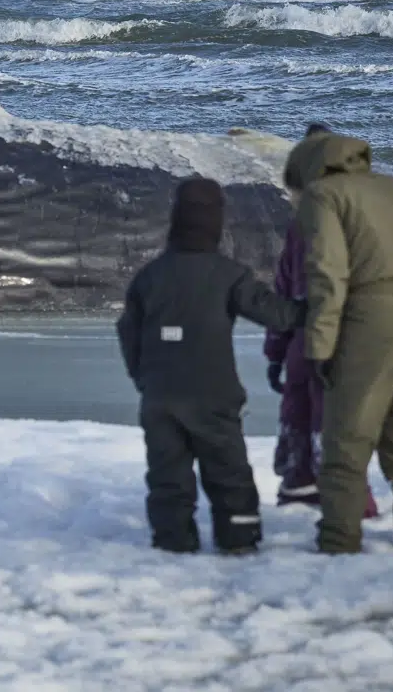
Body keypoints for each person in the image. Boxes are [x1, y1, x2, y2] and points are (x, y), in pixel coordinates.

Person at [116, 177, 305, 555]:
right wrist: (318, 303)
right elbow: (279, 316)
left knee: (168, 474)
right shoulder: (228, 274)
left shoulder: (149, 276)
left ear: (176, 219)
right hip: (213, 394)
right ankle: (238, 541)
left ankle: (172, 542)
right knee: (228, 471)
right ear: (216, 222)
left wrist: (143, 379)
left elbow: (127, 331)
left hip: (160, 394)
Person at [284, 130, 393, 557]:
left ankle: (338, 548)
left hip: (374, 321)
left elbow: (328, 273)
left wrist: (319, 347)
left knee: (346, 445)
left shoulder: (325, 196)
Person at [264, 124, 378, 519]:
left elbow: (284, 290)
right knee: (330, 427)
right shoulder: (365, 216)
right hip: (342, 339)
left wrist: (275, 351)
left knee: (303, 422)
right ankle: (347, 507)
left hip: (306, 338)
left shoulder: (305, 219)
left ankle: (305, 498)